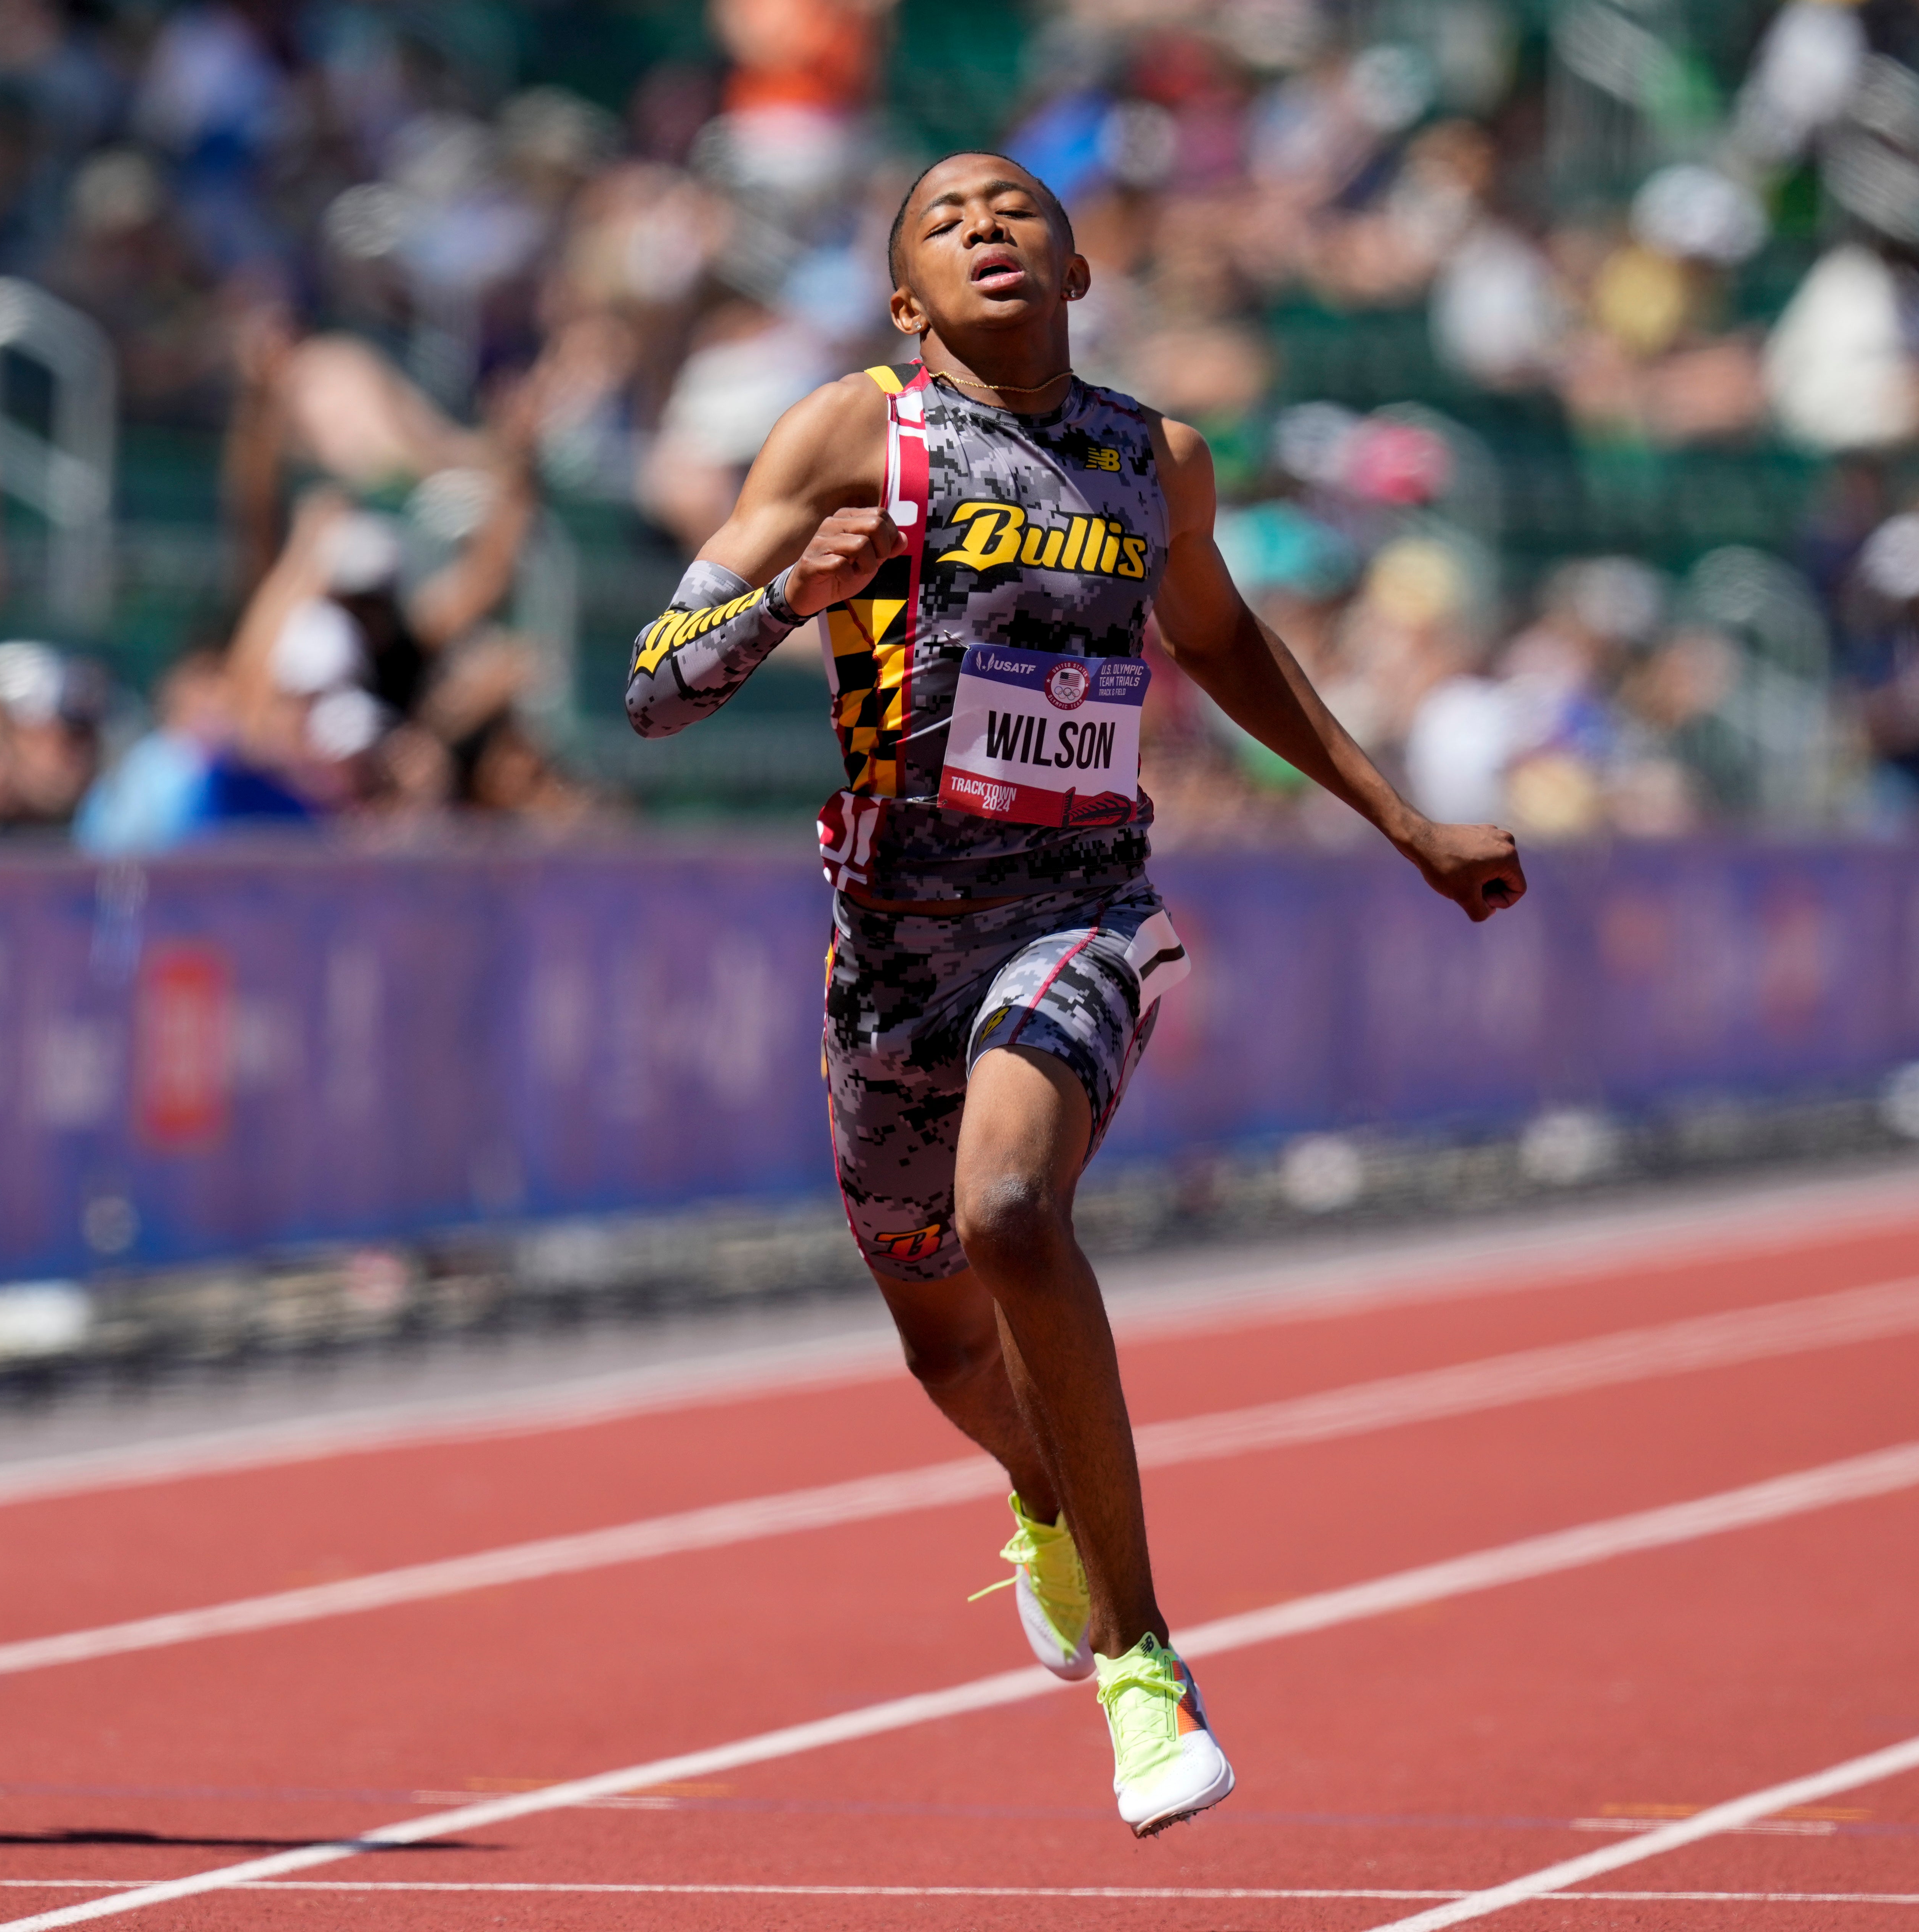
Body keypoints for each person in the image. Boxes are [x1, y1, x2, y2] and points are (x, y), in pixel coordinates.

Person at [625, 152, 1525, 1836]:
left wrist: (1402, 822)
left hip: (1081, 910)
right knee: (942, 1336)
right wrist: (783, 600)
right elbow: (652, 691)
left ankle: (1141, 1655)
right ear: (904, 302)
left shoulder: (1149, 458)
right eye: (942, 219)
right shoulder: (849, 432)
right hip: (891, 943)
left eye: (1014, 208)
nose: (982, 224)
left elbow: (1226, 642)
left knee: (1012, 1212)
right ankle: (1041, 1495)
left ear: (1079, 266)